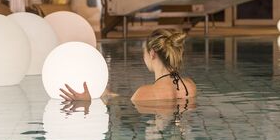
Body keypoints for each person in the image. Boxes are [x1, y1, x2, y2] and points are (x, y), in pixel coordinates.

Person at [59, 29, 196, 102]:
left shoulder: (145, 92)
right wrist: (109, 94)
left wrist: (88, 102)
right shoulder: (190, 86)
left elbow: (135, 101)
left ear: (152, 54)